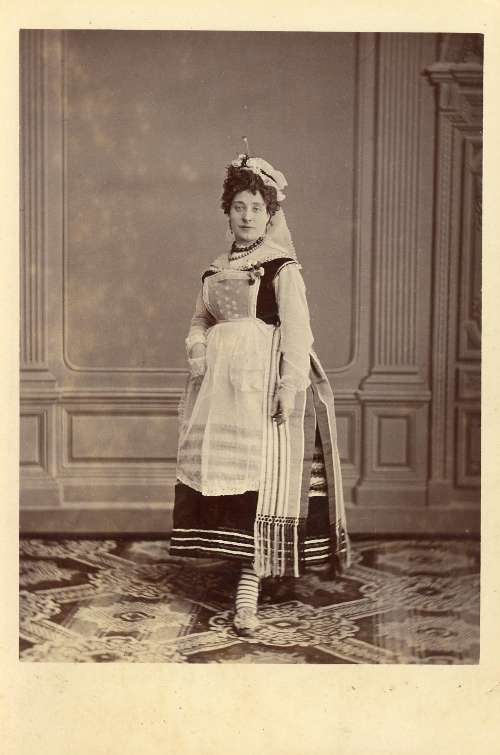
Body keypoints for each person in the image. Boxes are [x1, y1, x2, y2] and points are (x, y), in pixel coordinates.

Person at [170, 149, 351, 636]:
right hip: (219, 390)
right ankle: (240, 564)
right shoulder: (214, 269)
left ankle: (249, 585)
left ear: (270, 215)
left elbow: (298, 331)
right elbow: (200, 320)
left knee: (262, 479)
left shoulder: (281, 268)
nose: (247, 216)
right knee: (228, 477)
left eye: (256, 208)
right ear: (227, 212)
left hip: (263, 383)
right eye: (239, 207)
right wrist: (197, 346)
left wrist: (289, 387)